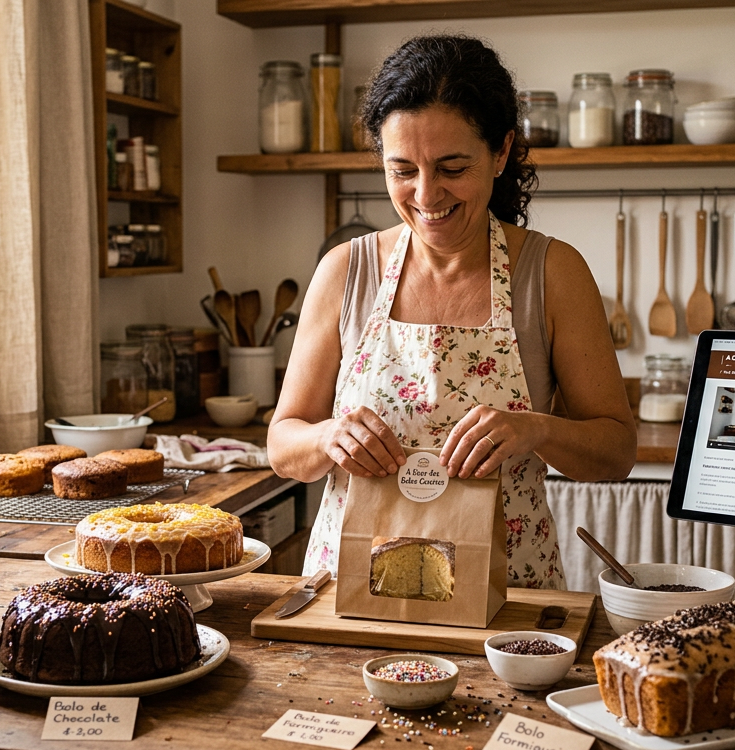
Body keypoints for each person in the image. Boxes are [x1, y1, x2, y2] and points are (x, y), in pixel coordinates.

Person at [267, 35, 636, 590]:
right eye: (402, 170)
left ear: (501, 151)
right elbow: (282, 444)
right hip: (354, 590)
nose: (425, 194)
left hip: (508, 599)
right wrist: (327, 439)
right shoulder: (346, 271)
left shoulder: (551, 273)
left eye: (452, 167)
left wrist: (536, 430)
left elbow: (616, 450)